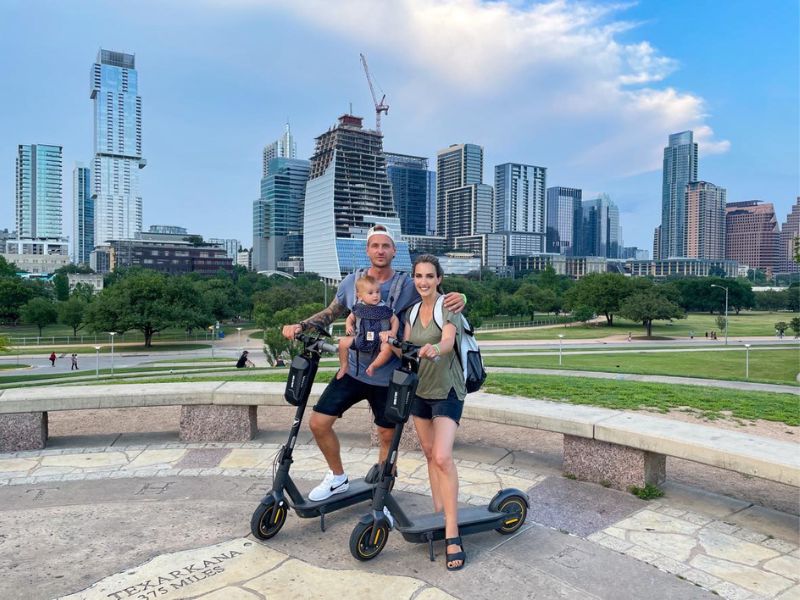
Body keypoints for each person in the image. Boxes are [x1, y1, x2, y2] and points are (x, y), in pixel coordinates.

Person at [281, 224, 465, 503]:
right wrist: (302, 325)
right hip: (353, 370)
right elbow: (332, 312)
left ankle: (383, 489)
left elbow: (438, 295)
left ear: (394, 251)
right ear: (367, 250)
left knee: (386, 434)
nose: (380, 251)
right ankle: (337, 477)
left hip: (387, 375)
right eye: (375, 246)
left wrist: (462, 297)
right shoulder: (352, 282)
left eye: (386, 246)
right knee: (318, 423)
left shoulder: (408, 284)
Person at [383, 254, 467, 571]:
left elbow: (447, 341)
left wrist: (435, 349)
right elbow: (404, 348)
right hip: (419, 391)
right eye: (419, 276)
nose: (423, 282)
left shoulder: (450, 306)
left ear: (439, 279)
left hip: (447, 390)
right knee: (430, 454)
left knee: (444, 456)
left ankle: (452, 531)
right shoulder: (413, 311)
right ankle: (437, 512)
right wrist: (389, 340)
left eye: (429, 276)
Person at [337, 274, 399, 380]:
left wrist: (393, 332)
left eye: (377, 292)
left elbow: (395, 320)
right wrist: (348, 326)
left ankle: (373, 366)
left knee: (387, 349)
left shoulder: (384, 309)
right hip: (361, 336)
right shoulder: (359, 308)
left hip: (380, 339)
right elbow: (350, 318)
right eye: (370, 293)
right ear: (360, 296)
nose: (375, 296)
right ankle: (344, 365)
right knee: (342, 343)